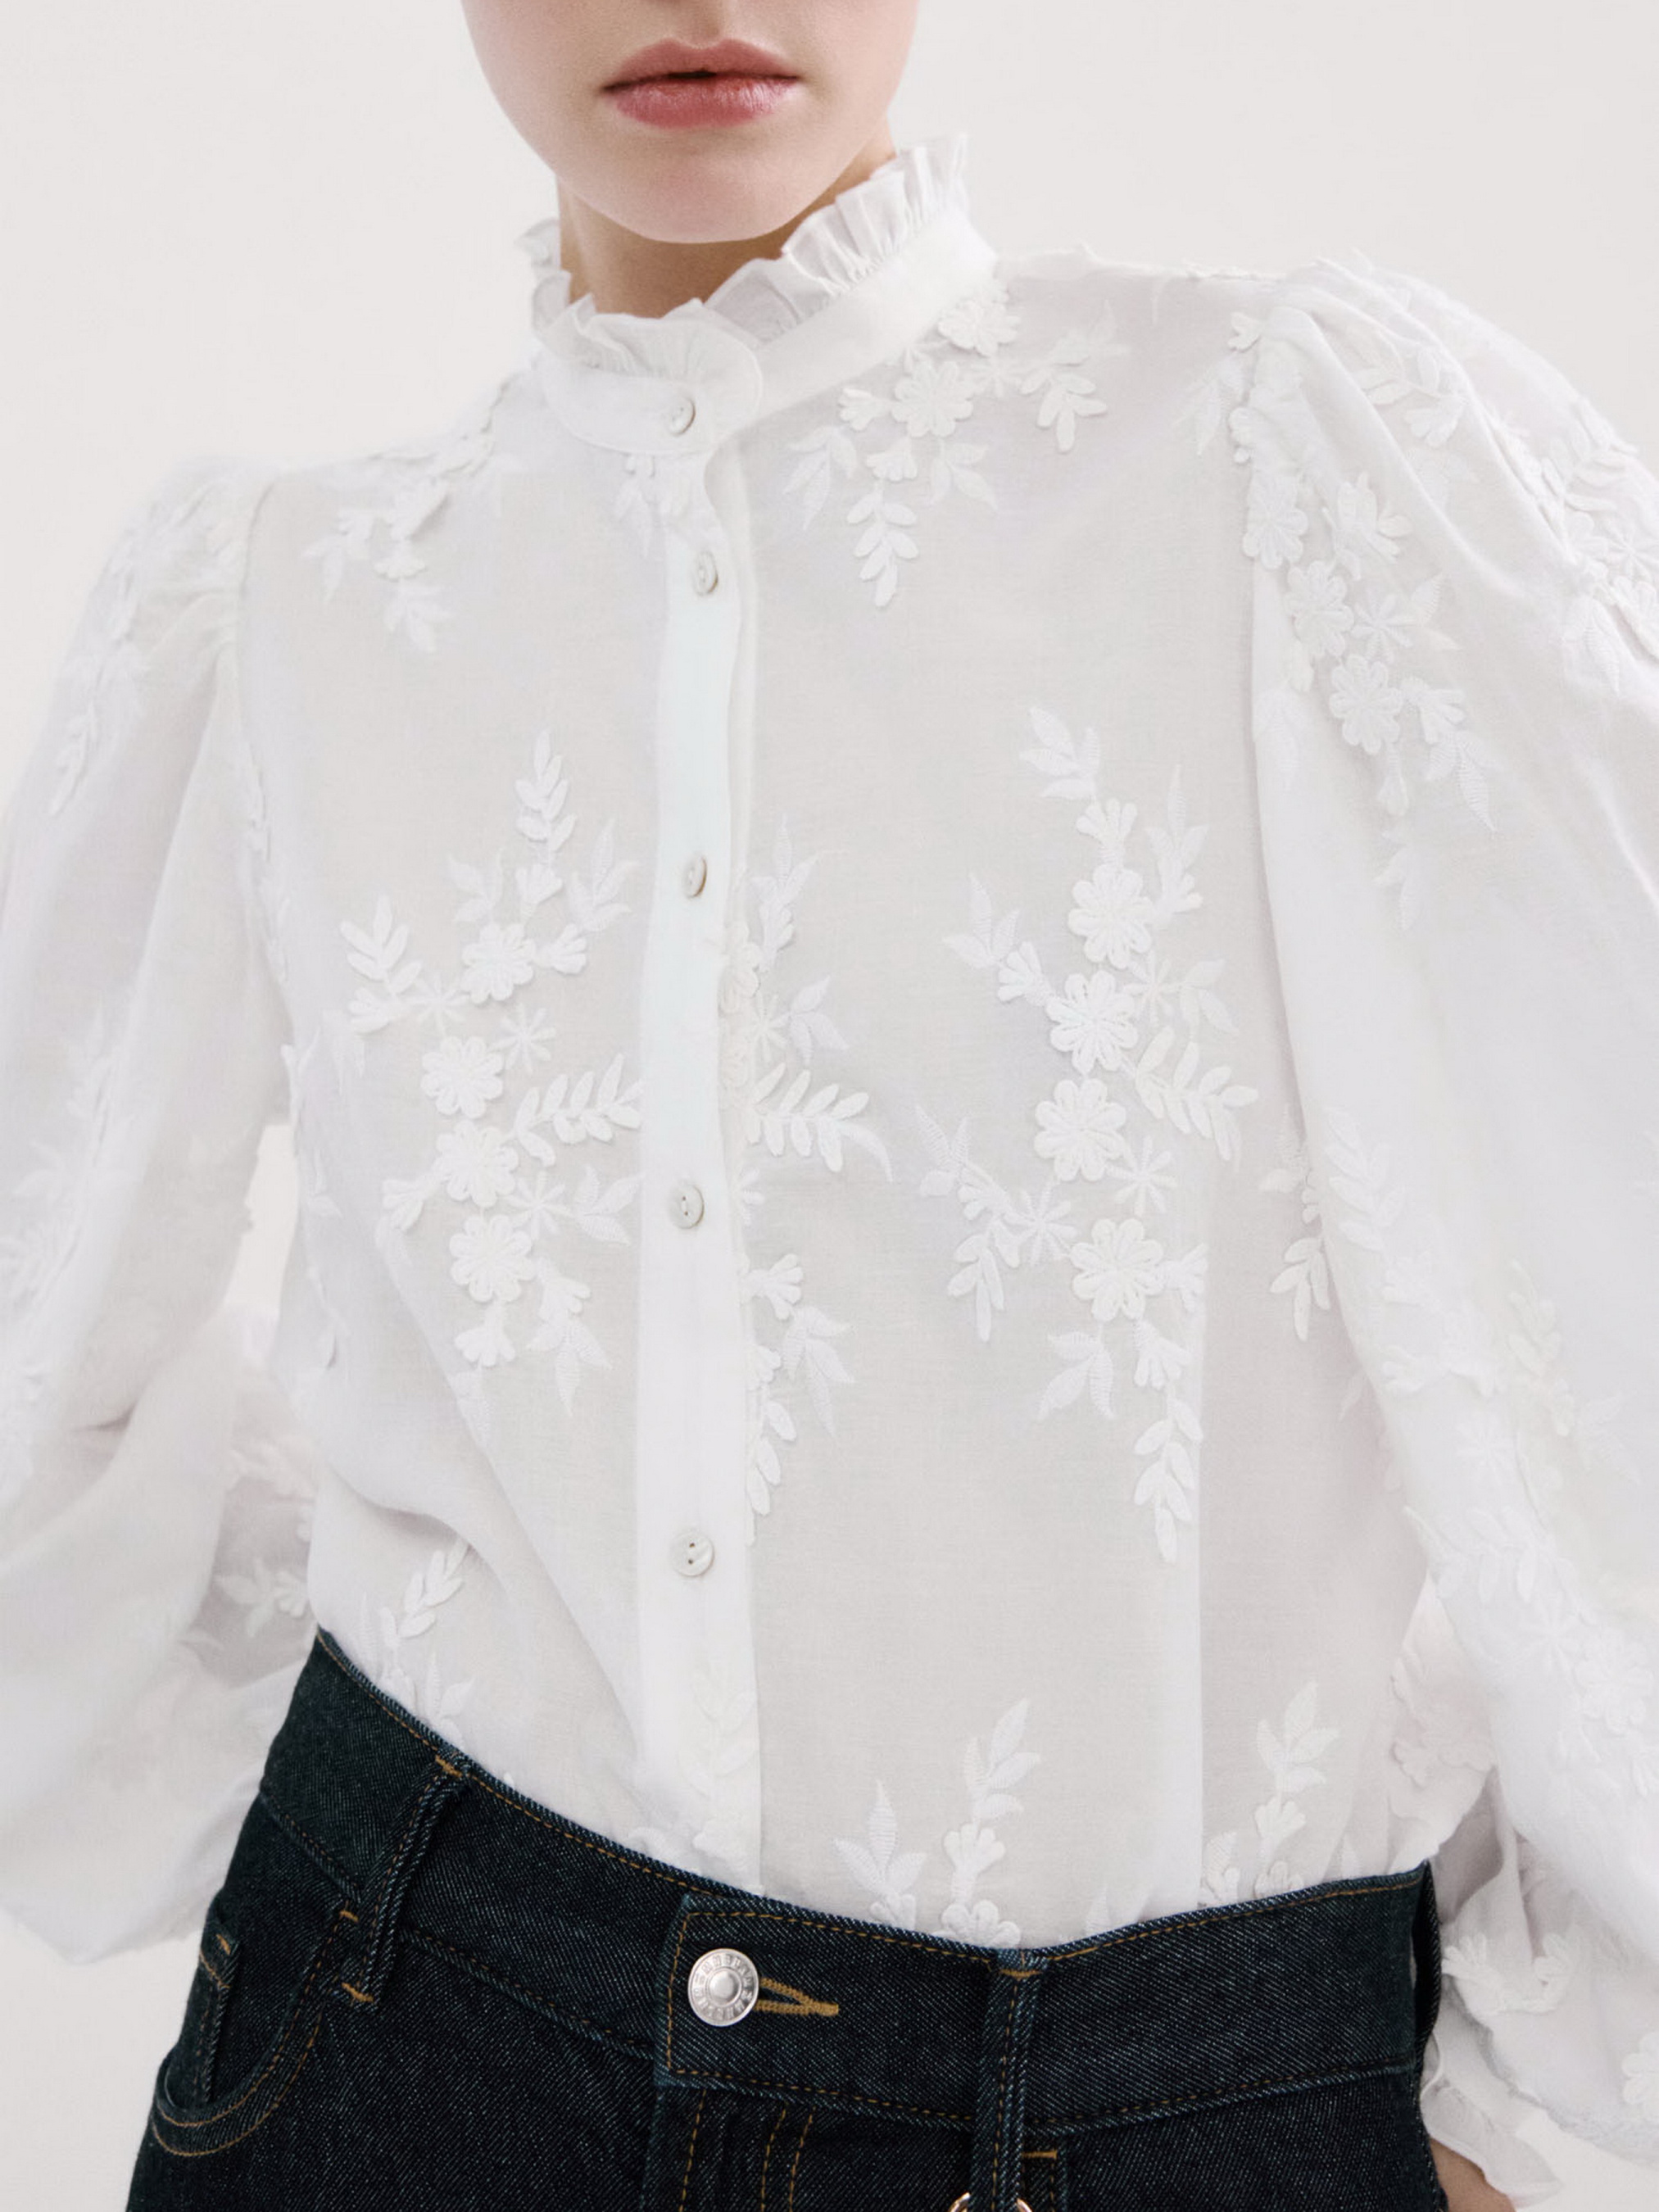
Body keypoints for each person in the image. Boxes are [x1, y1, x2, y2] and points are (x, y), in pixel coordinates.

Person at [1, 4, 1655, 2206]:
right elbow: (48, 1364)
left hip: (1190, 2114)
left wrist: (1531, 2084)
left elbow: (1618, 1261)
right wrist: (392, 1890)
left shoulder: (1282, 463)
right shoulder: (289, 606)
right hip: (404, 2081)